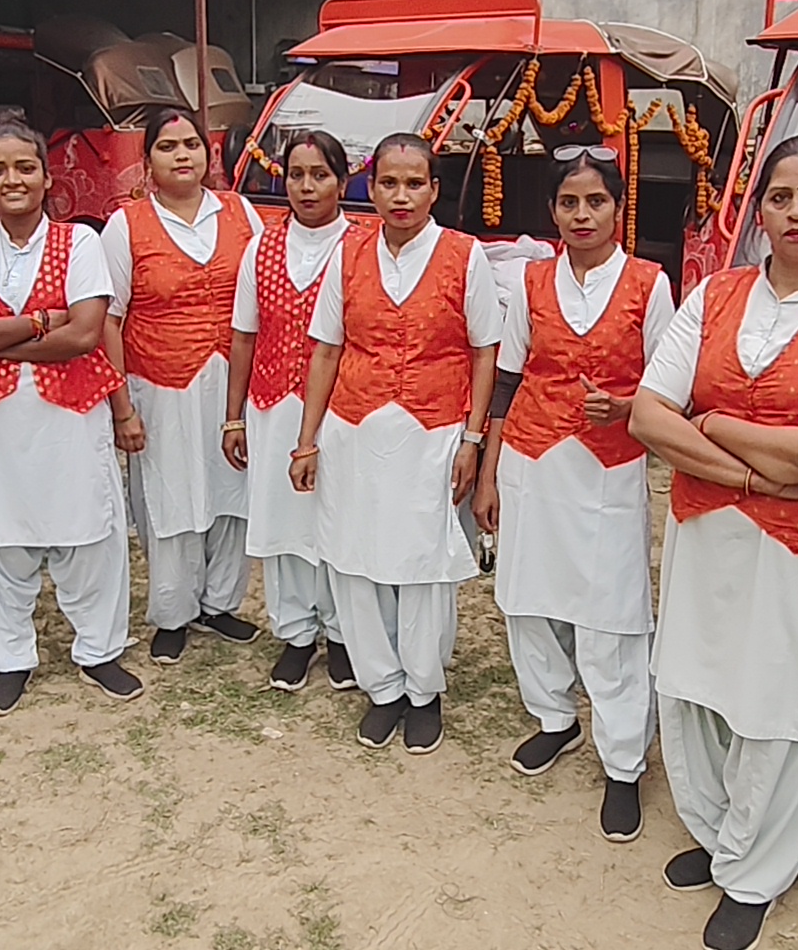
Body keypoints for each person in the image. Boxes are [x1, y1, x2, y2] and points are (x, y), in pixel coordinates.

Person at [630, 134, 798, 950]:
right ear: (759, 209)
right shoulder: (714, 294)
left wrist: (712, 421)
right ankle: (718, 838)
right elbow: (648, 416)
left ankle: (755, 872)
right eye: (781, 196)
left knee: (784, 706)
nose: (797, 212)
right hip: (710, 528)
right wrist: (754, 475)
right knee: (697, 684)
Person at [472, 147, 674, 842]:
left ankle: (622, 761)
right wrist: (492, 471)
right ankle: (553, 717)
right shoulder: (531, 281)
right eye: (568, 202)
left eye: (596, 202)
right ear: (552, 210)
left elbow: (669, 387)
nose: (582, 215)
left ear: (619, 207)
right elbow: (507, 378)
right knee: (528, 600)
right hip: (533, 457)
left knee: (611, 616)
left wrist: (625, 407)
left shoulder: (650, 283)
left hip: (608, 467)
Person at [291, 133, 501, 755]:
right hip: (352, 427)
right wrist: (307, 441)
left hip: (432, 431)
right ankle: (381, 687)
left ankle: (423, 689)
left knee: (420, 565)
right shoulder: (349, 253)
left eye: (415, 183)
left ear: (434, 190)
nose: (401, 196)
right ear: (371, 187)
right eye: (388, 183)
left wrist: (472, 437)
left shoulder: (466, 256)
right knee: (354, 561)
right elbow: (326, 348)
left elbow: (484, 351)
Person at [0, 121, 143, 711]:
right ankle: (10, 658)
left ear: (47, 178)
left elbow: (82, 336)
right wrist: (39, 322)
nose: (12, 179)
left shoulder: (79, 242)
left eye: (25, 166)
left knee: (88, 532)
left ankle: (99, 650)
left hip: (69, 411)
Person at [101, 108, 267, 663]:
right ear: (147, 160)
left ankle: (220, 603)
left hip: (233, 383)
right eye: (168, 146)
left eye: (192, 144)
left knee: (232, 493)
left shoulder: (242, 213)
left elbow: (266, 298)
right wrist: (122, 406)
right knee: (171, 499)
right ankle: (173, 612)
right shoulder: (126, 225)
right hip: (161, 381)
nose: (182, 156)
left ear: (208, 153)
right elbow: (110, 318)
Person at [224, 130, 358, 693]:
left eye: (320, 174)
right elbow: (243, 336)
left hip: (340, 408)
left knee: (337, 519)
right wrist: (234, 417)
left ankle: (345, 634)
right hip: (273, 405)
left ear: (342, 181)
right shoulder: (262, 246)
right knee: (282, 522)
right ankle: (296, 633)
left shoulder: (361, 245)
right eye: (297, 174)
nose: (307, 186)